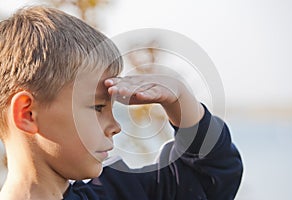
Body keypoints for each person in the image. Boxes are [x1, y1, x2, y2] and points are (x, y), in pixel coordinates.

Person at [0, 6, 243, 200]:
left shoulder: (118, 193)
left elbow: (209, 179)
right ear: (28, 113)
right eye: (98, 107)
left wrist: (179, 98)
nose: (116, 126)